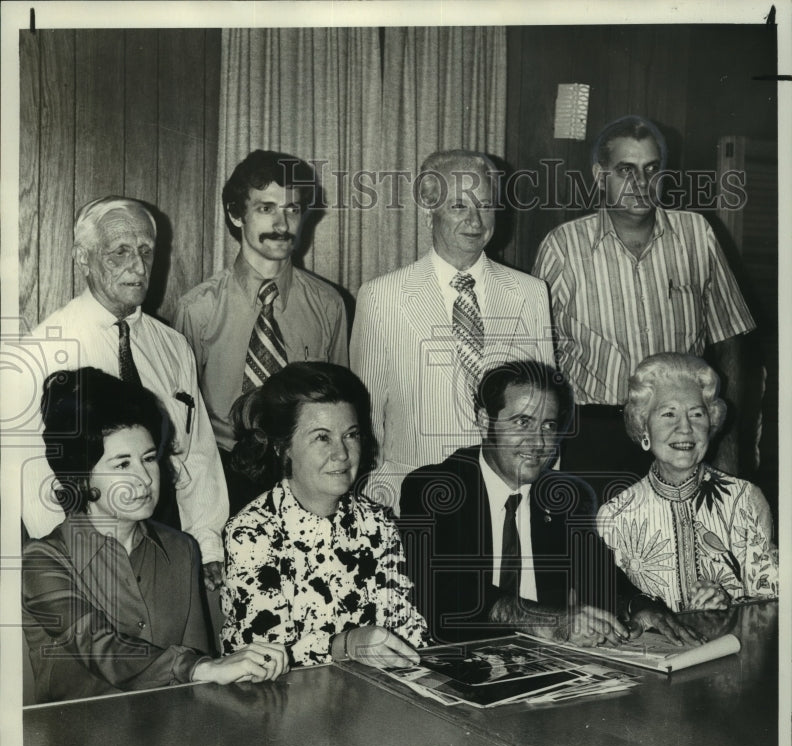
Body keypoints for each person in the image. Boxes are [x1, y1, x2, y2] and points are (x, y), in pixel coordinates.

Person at [22, 368, 288, 704]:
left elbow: (198, 688)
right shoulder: (42, 560)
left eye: (149, 459)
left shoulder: (181, 549)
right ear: (81, 476)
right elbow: (99, 647)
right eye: (122, 465)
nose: (145, 479)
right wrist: (203, 668)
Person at [533, 115, 755, 493]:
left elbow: (730, 337)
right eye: (626, 169)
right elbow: (537, 357)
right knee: (600, 550)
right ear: (600, 176)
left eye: (652, 169)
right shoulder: (563, 248)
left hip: (681, 432)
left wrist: (727, 438)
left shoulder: (697, 235)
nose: (641, 183)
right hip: (595, 438)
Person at [21, 196, 228, 591]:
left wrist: (206, 544)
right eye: (120, 252)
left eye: (146, 251)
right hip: (85, 553)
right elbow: (29, 474)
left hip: (165, 542)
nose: (138, 266)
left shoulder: (172, 346)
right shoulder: (43, 349)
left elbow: (197, 454)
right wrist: (77, 558)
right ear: (83, 258)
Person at [350, 148, 554, 513]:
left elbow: (546, 410)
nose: (475, 221)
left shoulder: (530, 293)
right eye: (459, 206)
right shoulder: (381, 297)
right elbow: (366, 418)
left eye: (486, 206)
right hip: (412, 499)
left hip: (510, 499)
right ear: (429, 208)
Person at [399, 360, 629, 647]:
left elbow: (600, 576)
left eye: (548, 425)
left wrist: (641, 610)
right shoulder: (435, 487)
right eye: (523, 422)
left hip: (549, 664)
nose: (538, 442)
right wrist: (551, 622)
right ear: (486, 422)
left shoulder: (566, 496)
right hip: (462, 660)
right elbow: (448, 592)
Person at [173, 150, 348, 514]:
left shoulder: (328, 305)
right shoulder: (199, 309)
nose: (282, 223)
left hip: (306, 482)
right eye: (266, 208)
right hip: (224, 481)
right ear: (237, 214)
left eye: (293, 209)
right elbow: (182, 422)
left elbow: (340, 409)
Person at [221, 362, 429, 668]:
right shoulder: (252, 531)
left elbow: (406, 629)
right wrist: (346, 644)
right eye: (322, 437)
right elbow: (265, 657)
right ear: (283, 448)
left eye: (351, 435)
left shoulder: (378, 523)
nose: (342, 453)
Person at [596, 353, 778, 620]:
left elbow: (774, 607)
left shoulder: (745, 500)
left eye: (696, 414)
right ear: (643, 427)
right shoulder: (614, 516)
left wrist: (730, 604)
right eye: (668, 413)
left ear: (711, 425)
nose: (685, 428)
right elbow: (612, 608)